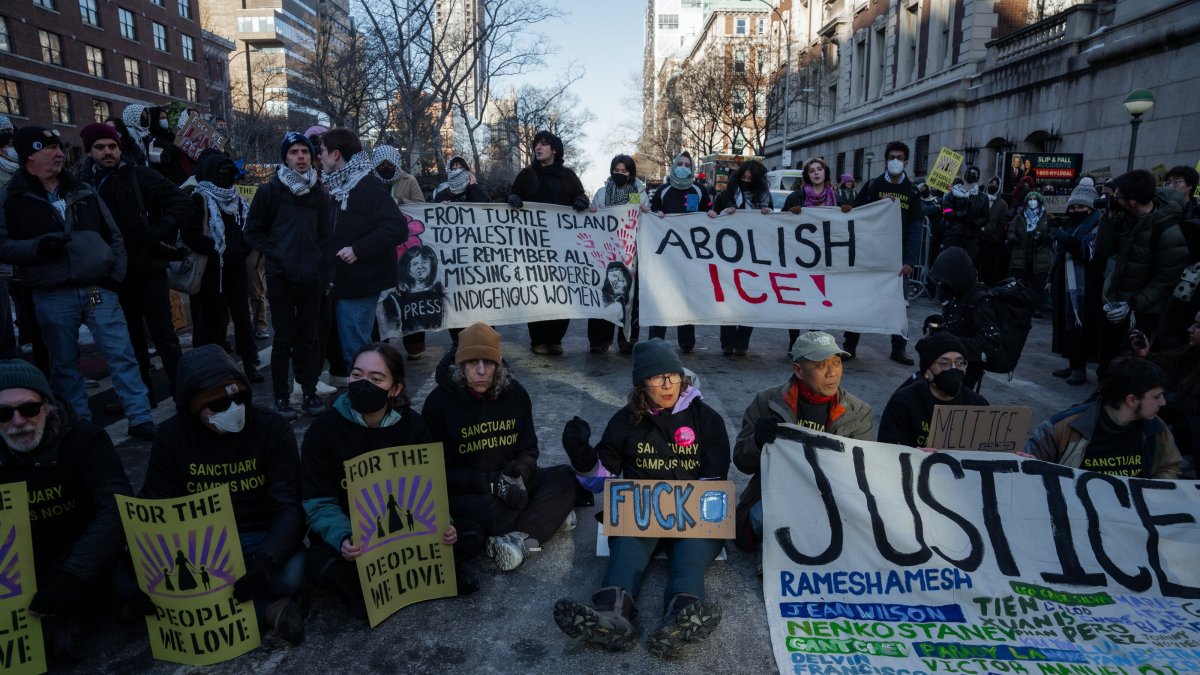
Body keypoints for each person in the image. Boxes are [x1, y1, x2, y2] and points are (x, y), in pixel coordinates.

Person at [555, 338, 729, 657]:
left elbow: (714, 481)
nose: (667, 384)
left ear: (682, 377)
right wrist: (582, 456)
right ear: (641, 383)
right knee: (627, 556)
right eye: (656, 378)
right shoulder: (625, 421)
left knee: (689, 559)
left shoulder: (707, 420)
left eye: (673, 376)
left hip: (691, 513)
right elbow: (600, 481)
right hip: (641, 511)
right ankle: (612, 616)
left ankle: (681, 618)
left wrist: (698, 520)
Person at [140, 345, 306, 644]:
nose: (232, 409)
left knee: (292, 573)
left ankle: (245, 605)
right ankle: (270, 611)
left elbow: (289, 505)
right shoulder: (171, 437)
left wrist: (267, 560)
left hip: (259, 537)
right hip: (199, 547)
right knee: (133, 580)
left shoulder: (271, 428)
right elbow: (155, 503)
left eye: (239, 398)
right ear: (191, 408)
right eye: (216, 406)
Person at [0, 127, 157, 439]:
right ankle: (81, 427)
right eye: (50, 149)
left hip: (99, 290)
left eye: (59, 148)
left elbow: (114, 236)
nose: (59, 154)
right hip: (52, 295)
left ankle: (141, 418)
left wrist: (114, 277)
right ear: (30, 155)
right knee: (64, 367)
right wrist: (36, 248)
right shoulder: (11, 199)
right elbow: (3, 245)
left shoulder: (82, 189)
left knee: (122, 355)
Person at [302, 343, 479, 619]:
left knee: (471, 534)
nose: (363, 384)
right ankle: (364, 592)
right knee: (317, 564)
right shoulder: (322, 431)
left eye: (376, 379)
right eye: (357, 375)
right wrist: (344, 538)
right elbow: (318, 500)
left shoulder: (413, 425)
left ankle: (432, 574)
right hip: (356, 540)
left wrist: (447, 525)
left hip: (408, 537)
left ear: (395, 389)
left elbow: (431, 488)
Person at [0, 359, 133, 661]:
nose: (18, 422)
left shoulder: (85, 440)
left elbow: (116, 507)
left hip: (82, 561)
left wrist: (71, 577)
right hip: (20, 571)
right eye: (3, 414)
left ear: (47, 407)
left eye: (29, 409)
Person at [421, 323, 576, 571]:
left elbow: (529, 448)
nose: (481, 371)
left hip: (512, 479)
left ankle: (518, 539)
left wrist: (519, 474)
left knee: (565, 477)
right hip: (473, 490)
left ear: (498, 364)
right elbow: (437, 472)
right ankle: (546, 520)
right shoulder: (438, 404)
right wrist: (492, 483)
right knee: (489, 512)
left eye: (489, 363)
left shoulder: (516, 394)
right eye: (473, 363)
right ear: (461, 365)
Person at [79, 122, 190, 402]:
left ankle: (181, 392)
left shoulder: (140, 176)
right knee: (127, 341)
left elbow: (180, 201)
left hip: (148, 269)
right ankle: (142, 394)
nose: (107, 152)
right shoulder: (82, 185)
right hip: (110, 277)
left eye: (112, 146)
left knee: (164, 335)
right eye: (100, 147)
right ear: (89, 152)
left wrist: (158, 232)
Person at [732, 331, 872, 553]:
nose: (832, 372)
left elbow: (864, 475)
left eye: (836, 362)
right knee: (761, 520)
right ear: (798, 370)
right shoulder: (767, 402)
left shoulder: (858, 412)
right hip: (777, 497)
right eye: (820, 366)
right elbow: (741, 460)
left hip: (833, 503)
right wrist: (757, 441)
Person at [244, 131, 330, 419]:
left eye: (305, 152)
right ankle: (281, 398)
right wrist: (278, 251)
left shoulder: (319, 192)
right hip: (280, 276)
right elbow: (252, 232)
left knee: (310, 338)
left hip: (311, 278)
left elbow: (325, 235)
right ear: (286, 158)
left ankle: (309, 393)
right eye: (294, 152)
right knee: (283, 339)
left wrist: (317, 261)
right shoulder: (269, 191)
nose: (301, 157)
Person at [319, 128, 413, 369]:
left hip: (360, 282)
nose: (319, 157)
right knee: (353, 344)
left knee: (357, 348)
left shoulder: (366, 184)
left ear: (336, 154)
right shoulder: (341, 186)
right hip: (346, 280)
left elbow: (397, 228)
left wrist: (357, 249)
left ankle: (368, 396)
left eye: (322, 152)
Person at [1095, 169, 1189, 374]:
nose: (1113, 199)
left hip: (1144, 312)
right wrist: (1108, 220)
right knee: (1107, 358)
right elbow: (1103, 251)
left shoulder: (1168, 232)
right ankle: (1103, 397)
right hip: (1116, 302)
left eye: (1117, 196)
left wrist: (1133, 304)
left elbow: (1167, 280)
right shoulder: (1126, 217)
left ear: (1132, 201)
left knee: (1129, 366)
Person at [1025, 356, 1181, 479]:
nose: (1163, 402)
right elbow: (1029, 473)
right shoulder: (1061, 428)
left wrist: (1153, 494)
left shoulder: (1156, 428)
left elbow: (1169, 466)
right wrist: (1024, 463)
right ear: (1131, 400)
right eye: (1157, 397)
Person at [507, 130, 589, 355]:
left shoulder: (568, 176)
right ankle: (538, 340)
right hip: (533, 247)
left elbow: (580, 195)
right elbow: (512, 196)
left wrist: (581, 201)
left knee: (562, 293)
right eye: (536, 144)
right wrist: (512, 198)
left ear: (554, 149)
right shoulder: (526, 175)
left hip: (563, 247)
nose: (538, 148)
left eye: (543, 144)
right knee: (537, 292)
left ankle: (555, 340)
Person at [183, 154, 263, 385]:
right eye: (222, 172)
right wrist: (215, 248)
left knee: (242, 318)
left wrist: (241, 249)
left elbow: (247, 229)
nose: (227, 176)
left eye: (230, 172)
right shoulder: (199, 198)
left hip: (235, 269)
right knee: (212, 321)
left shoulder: (237, 199)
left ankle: (249, 363)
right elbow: (189, 235)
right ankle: (212, 368)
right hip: (210, 272)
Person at [849, 141, 920, 365]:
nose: (895, 161)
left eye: (899, 157)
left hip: (897, 261)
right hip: (870, 256)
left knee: (898, 304)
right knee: (859, 301)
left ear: (906, 161)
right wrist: (876, 205)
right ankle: (849, 345)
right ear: (885, 160)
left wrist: (910, 260)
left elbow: (916, 228)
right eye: (891, 157)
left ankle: (898, 348)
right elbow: (855, 214)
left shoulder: (912, 191)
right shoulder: (873, 186)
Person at [782, 157, 853, 351]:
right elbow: (779, 222)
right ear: (807, 175)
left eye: (819, 169)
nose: (816, 172)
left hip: (826, 258)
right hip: (800, 257)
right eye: (812, 170)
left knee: (819, 300)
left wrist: (847, 212)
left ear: (825, 172)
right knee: (797, 300)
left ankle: (814, 341)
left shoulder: (838, 197)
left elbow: (851, 223)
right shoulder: (796, 197)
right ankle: (794, 343)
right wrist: (791, 214)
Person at [648, 152, 712, 353]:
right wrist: (655, 214)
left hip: (691, 254)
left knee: (686, 295)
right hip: (666, 254)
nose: (683, 167)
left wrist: (711, 215)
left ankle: (687, 340)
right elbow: (652, 211)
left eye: (687, 164)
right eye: (680, 164)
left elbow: (709, 212)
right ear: (674, 166)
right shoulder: (663, 190)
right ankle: (656, 338)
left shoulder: (700, 190)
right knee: (662, 294)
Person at [708, 159, 773, 357]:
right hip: (729, 253)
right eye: (743, 178)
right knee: (727, 296)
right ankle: (727, 342)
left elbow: (772, 223)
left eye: (750, 179)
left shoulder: (764, 196)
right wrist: (716, 213)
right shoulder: (727, 193)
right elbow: (714, 215)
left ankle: (742, 341)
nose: (745, 182)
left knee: (751, 297)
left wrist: (768, 213)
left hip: (755, 256)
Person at [877, 332, 988, 447]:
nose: (954, 369)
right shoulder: (903, 402)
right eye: (944, 363)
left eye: (960, 363)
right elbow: (887, 448)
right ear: (926, 372)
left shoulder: (978, 405)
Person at [587, 154, 646, 354]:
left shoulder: (636, 193)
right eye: (616, 170)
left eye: (624, 171)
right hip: (605, 253)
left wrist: (647, 211)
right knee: (603, 293)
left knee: (628, 296)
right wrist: (592, 212)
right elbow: (593, 217)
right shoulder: (603, 193)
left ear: (631, 173)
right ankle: (599, 340)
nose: (619, 174)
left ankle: (627, 338)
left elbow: (640, 214)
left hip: (629, 254)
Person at [1048, 180, 1103, 385]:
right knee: (1067, 324)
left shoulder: (1097, 225)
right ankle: (1071, 363)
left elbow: (1086, 252)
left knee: (1080, 325)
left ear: (1090, 208)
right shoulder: (1070, 223)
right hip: (1064, 279)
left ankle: (1080, 368)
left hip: (1084, 284)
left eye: (1081, 207)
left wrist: (1063, 237)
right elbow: (1059, 253)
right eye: (1073, 206)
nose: (1076, 210)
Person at [926, 246, 1002, 392]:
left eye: (945, 280)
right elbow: (954, 324)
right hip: (947, 364)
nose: (942, 285)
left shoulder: (980, 301)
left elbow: (990, 343)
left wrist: (950, 342)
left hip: (965, 371)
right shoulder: (957, 294)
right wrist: (934, 326)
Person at [1006, 190, 1053, 306]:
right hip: (1022, 255)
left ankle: (1036, 306)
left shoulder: (1046, 218)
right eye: (1030, 199)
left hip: (1038, 256)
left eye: (1035, 199)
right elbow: (1010, 232)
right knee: (1022, 282)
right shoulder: (1019, 217)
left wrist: (1044, 238)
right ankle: (1022, 304)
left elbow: (1052, 234)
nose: (1032, 202)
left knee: (1037, 283)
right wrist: (1015, 238)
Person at [941, 165, 990, 264]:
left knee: (967, 265)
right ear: (965, 175)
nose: (971, 175)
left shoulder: (983, 197)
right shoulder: (952, 194)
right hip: (954, 235)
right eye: (969, 172)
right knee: (952, 263)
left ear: (977, 178)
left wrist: (975, 222)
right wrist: (960, 214)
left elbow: (985, 217)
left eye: (974, 174)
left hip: (971, 237)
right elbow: (946, 212)